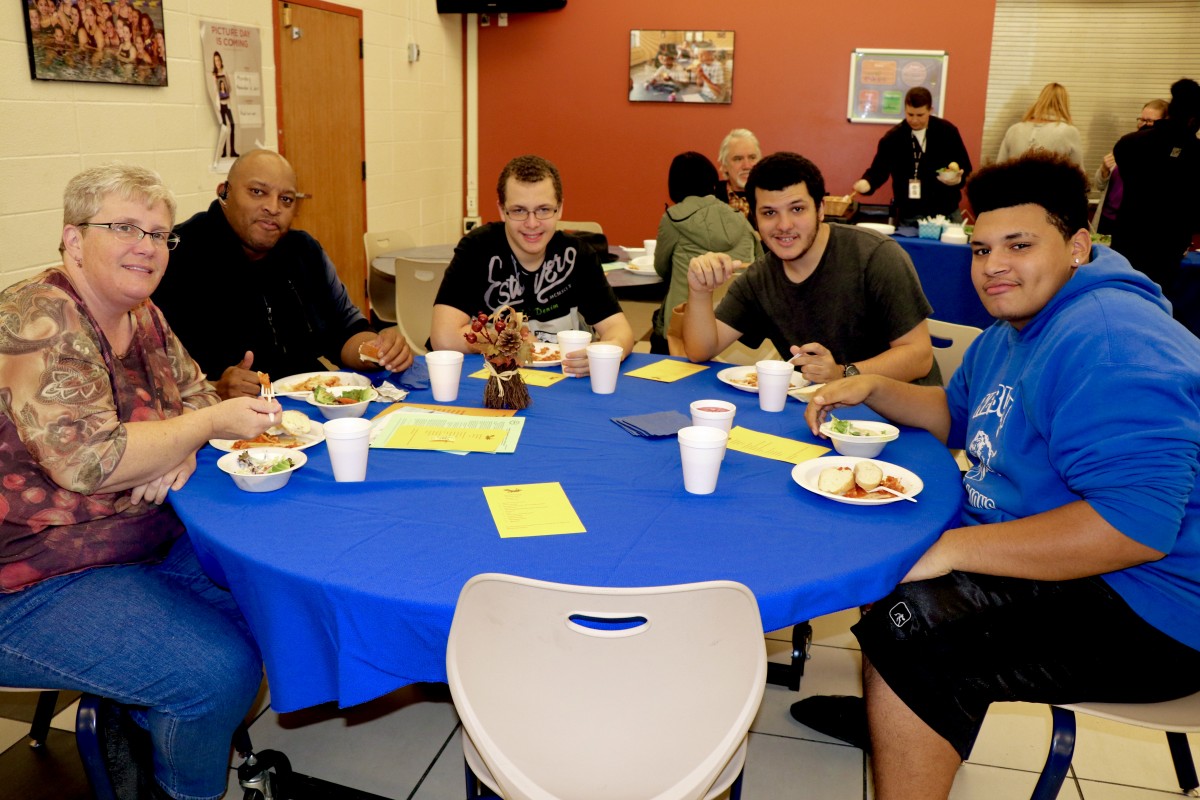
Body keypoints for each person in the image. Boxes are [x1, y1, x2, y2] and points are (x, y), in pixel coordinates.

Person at [800, 152, 1200, 800]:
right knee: (889, 535)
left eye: (1019, 245)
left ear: (1076, 245)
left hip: (1156, 604)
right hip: (1088, 557)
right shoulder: (1017, 327)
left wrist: (952, 549)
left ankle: (911, 700)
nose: (994, 267)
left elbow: (1135, 529)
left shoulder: (1108, 340)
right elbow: (960, 418)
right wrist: (874, 386)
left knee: (913, 622)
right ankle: (905, 716)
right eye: (981, 249)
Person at [0, 164, 278, 800]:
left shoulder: (143, 315)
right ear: (72, 240)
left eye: (160, 233)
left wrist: (175, 447)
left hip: (136, 541)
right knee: (216, 671)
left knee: (270, 599)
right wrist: (198, 428)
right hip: (34, 575)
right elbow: (90, 461)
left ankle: (145, 728)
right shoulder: (40, 317)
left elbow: (195, 393)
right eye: (125, 227)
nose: (148, 246)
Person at [153, 149, 413, 399]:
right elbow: (152, 380)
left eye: (286, 199)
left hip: (309, 405)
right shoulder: (176, 254)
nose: (273, 207)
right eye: (257, 192)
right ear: (224, 193)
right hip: (223, 423)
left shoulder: (303, 251)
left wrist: (378, 350)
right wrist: (213, 389)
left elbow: (345, 333)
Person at [683, 152, 940, 386]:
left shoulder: (876, 255)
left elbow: (919, 356)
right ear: (755, 219)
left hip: (899, 415)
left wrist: (842, 373)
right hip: (820, 413)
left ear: (820, 209)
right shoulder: (760, 277)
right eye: (769, 213)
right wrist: (699, 290)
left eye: (797, 209)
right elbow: (700, 351)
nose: (784, 225)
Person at [430, 154, 634, 376]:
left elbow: (620, 330)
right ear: (501, 210)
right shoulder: (477, 249)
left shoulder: (577, 254)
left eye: (544, 209)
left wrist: (608, 350)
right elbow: (443, 337)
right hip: (496, 382)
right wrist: (505, 339)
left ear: (560, 208)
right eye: (519, 210)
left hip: (563, 383)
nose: (532, 223)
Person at [650, 151, 758, 354]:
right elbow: (760, 266)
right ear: (712, 181)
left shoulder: (673, 219)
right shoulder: (741, 220)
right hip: (737, 327)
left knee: (658, 324)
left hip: (684, 327)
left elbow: (662, 269)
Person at [1110, 78, 1200, 303]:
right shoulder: (1195, 153)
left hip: (1127, 238)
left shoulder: (1129, 144)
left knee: (1121, 299)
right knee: (1154, 304)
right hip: (1167, 248)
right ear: (1194, 119)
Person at [853, 87, 972, 225]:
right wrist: (867, 183)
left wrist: (958, 180)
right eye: (910, 114)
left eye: (920, 115)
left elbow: (965, 168)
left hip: (947, 211)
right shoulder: (893, 138)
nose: (914, 120)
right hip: (910, 214)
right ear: (905, 110)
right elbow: (878, 170)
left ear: (930, 110)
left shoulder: (947, 131)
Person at [1093, 98, 1167, 234]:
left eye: (1149, 121)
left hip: (1133, 226)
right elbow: (1100, 185)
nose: (1142, 125)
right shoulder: (1127, 145)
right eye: (1141, 119)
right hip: (1106, 220)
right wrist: (1104, 170)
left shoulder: (1165, 156)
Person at [996, 82, 1083, 166]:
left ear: (1040, 101)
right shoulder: (1069, 132)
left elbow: (999, 169)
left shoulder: (1014, 129)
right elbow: (1079, 175)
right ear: (1064, 104)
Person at [716, 128, 761, 218]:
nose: (747, 166)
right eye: (738, 159)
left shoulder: (772, 195)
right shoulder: (711, 197)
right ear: (724, 166)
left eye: (752, 157)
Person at [211, 50, 238, 158]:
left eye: (218, 60)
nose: (217, 62)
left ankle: (232, 150)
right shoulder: (214, 75)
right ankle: (224, 151)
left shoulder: (225, 72)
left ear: (221, 60)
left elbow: (230, 87)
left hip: (227, 103)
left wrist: (226, 89)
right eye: (215, 61)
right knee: (224, 128)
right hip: (220, 104)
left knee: (232, 125)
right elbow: (215, 91)